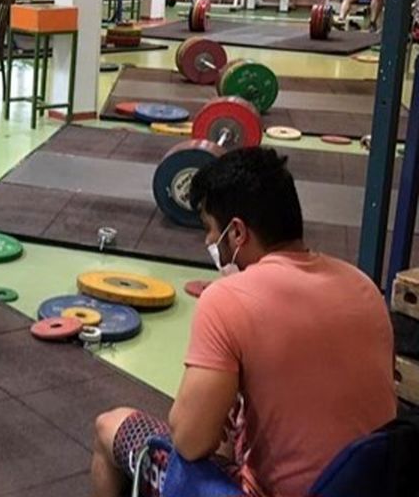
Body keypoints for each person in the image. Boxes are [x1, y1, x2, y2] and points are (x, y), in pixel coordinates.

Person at [90, 147, 396, 497]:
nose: (208, 241)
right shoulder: (363, 287)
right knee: (230, 421)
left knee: (109, 427)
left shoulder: (226, 300)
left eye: (209, 229)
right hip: (373, 487)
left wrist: (199, 421)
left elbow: (189, 442)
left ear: (237, 232)